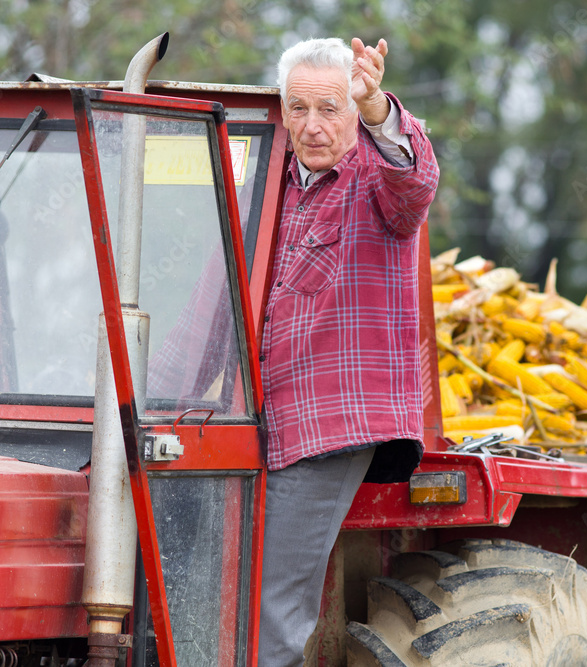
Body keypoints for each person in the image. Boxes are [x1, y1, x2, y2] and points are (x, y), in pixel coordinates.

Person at [257, 36, 440, 666]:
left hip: (328, 422)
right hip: (251, 417)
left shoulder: (377, 178)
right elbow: (214, 299)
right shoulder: (266, 186)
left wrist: (377, 112)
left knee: (268, 601)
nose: (312, 126)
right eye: (298, 108)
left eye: (329, 108)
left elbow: (415, 181)